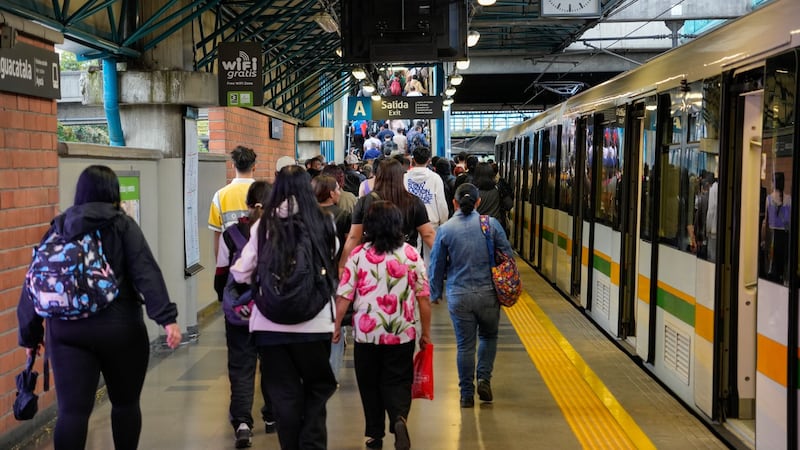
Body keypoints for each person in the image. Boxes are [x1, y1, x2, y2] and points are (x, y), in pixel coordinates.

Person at [17, 165, 182, 450]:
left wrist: (30, 337)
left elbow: (34, 282)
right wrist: (167, 319)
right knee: (126, 404)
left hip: (66, 334)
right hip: (120, 329)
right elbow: (145, 271)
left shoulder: (59, 227)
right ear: (113, 193)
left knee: (71, 413)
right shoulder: (122, 224)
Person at [230, 165, 338, 450]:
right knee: (317, 387)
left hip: (269, 325)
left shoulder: (262, 225)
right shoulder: (323, 221)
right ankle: (312, 444)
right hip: (315, 323)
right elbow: (331, 258)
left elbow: (241, 273)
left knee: (283, 393)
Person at [333, 200, 432, 450]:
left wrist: (336, 326)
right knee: (398, 380)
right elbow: (424, 298)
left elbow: (344, 295)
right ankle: (398, 418)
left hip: (367, 334)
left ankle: (374, 435)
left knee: (369, 383)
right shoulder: (410, 254)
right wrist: (426, 334)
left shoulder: (358, 255)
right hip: (401, 333)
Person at [428, 183, 512, 408]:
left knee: (464, 346)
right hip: (488, 294)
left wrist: (435, 292)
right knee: (488, 337)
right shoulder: (491, 225)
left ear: (454, 203)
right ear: (478, 202)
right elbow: (507, 255)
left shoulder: (445, 230)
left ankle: (466, 394)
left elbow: (436, 264)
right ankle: (484, 378)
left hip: (459, 295)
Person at [214, 181, 276, 448]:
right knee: (273, 364)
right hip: (272, 310)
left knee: (241, 366)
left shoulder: (231, 234)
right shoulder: (280, 232)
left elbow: (221, 274)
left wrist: (227, 300)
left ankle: (242, 423)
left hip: (240, 312)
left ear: (248, 204)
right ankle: (272, 416)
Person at [341, 158, 437, 274]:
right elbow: (428, 234)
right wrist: (445, 257)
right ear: (400, 177)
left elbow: (354, 237)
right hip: (405, 260)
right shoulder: (414, 202)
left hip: (372, 262)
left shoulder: (364, 202)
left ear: (378, 176)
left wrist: (343, 264)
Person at [312, 175, 353, 382]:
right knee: (336, 321)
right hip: (336, 274)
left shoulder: (306, 216)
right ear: (330, 193)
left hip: (311, 276)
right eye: (337, 189)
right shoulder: (344, 215)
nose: (339, 192)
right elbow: (349, 245)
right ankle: (332, 374)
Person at [208, 145, 257, 257]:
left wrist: (220, 266)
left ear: (233, 165)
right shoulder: (266, 193)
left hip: (231, 261)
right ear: (254, 167)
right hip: (260, 262)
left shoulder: (220, 195)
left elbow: (217, 236)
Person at [404, 146, 450, 261]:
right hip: (431, 223)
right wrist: (444, 222)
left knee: (411, 258)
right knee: (432, 259)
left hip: (410, 223)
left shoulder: (405, 177)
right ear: (429, 160)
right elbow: (441, 203)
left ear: (413, 160)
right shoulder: (435, 178)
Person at [761, 171, 791, 283]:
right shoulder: (789, 199)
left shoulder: (769, 199)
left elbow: (766, 222)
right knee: (782, 266)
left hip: (772, 236)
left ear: (774, 183)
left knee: (771, 266)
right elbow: (788, 223)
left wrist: (763, 240)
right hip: (784, 237)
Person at [473, 162, 513, 233]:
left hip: (477, 226)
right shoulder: (499, 188)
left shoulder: (473, 190)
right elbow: (509, 205)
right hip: (496, 226)